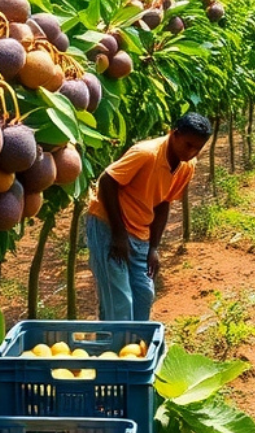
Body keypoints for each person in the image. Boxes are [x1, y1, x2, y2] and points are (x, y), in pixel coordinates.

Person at [85, 113, 211, 321]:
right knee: (120, 301)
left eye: (198, 148)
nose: (192, 152)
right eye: (188, 145)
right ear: (175, 134)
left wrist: (154, 247)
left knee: (144, 293)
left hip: (140, 231)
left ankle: (137, 347)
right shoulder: (147, 154)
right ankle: (116, 348)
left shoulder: (187, 166)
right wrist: (118, 234)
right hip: (108, 223)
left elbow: (163, 202)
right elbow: (107, 180)